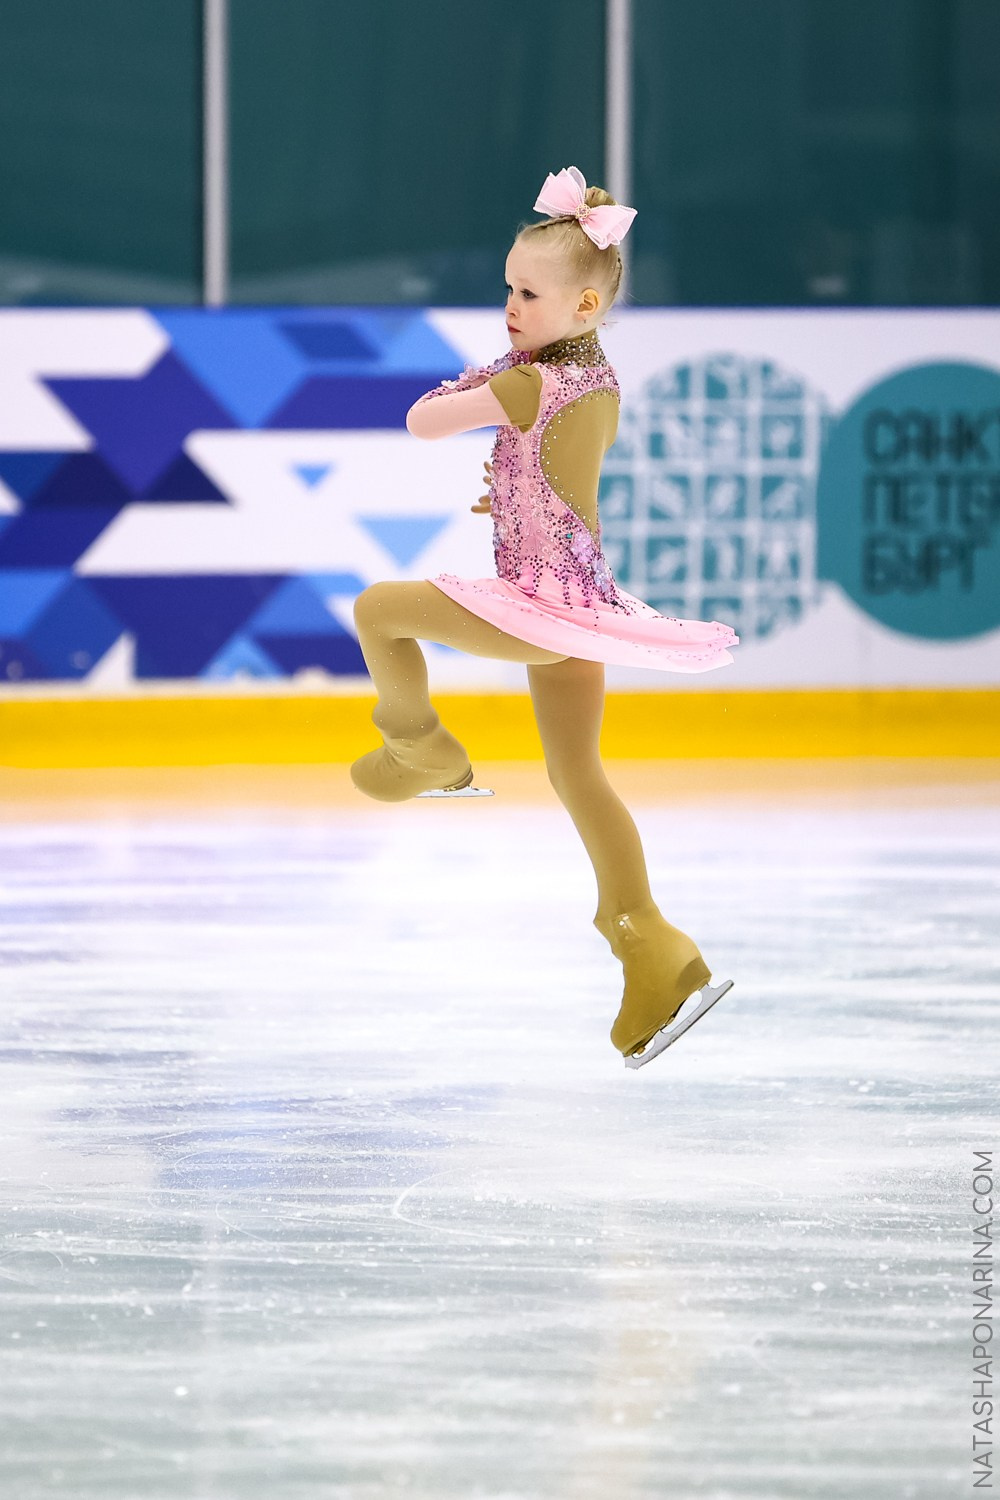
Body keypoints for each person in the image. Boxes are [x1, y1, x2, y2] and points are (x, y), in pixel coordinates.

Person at [351, 166, 739, 1067]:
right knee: (578, 775)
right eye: (507, 290)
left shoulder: (533, 385)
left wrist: (498, 372)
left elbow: (422, 421)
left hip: (540, 604)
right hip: (580, 604)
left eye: (528, 293)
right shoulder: (591, 376)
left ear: (588, 304)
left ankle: (419, 746)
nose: (510, 307)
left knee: (379, 611)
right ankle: (651, 945)